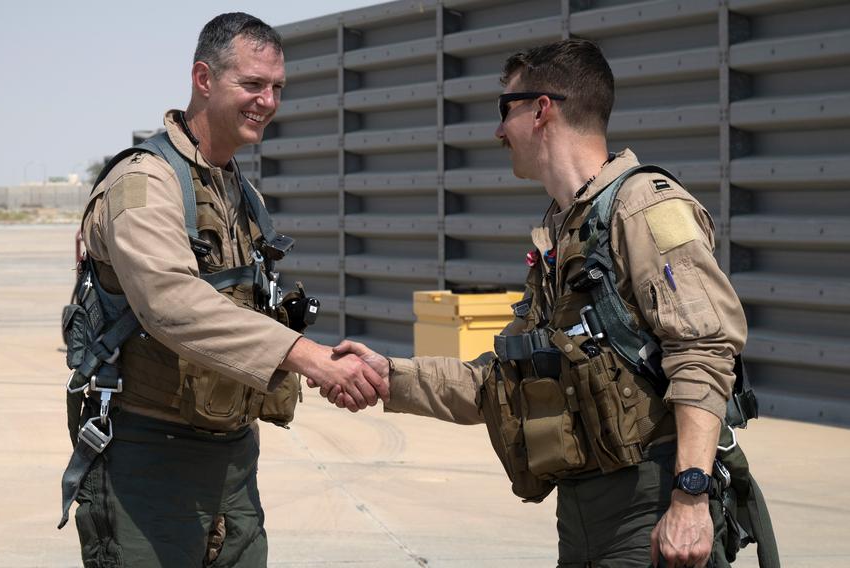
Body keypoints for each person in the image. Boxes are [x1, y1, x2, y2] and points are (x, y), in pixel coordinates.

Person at [318, 39, 765, 567]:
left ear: (541, 109)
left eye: (504, 110)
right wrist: (387, 376)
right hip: (583, 518)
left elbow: (704, 349)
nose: (497, 131)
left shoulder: (645, 208)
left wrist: (690, 497)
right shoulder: (565, 230)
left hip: (650, 510)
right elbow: (503, 385)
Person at [61, 13, 388, 568]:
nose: (267, 101)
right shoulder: (145, 182)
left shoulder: (238, 189)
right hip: (149, 462)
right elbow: (173, 306)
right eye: (252, 84)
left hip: (233, 461)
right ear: (204, 79)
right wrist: (311, 360)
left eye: (277, 88)